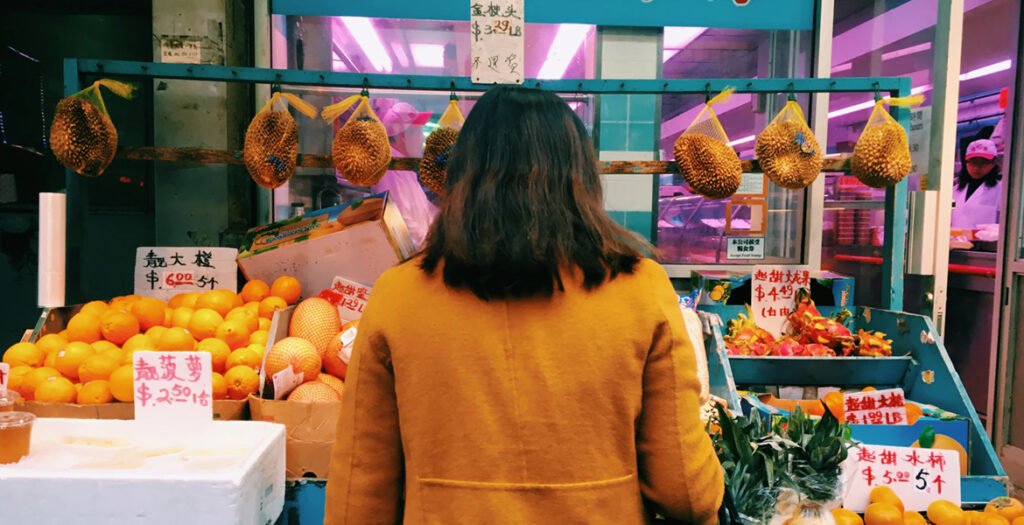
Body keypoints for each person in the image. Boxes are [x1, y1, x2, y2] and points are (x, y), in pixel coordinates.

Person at [325, 86, 723, 525]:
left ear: (461, 177)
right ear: (583, 178)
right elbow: (687, 493)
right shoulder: (641, 289)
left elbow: (358, 494)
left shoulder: (399, 296)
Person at [951, 138, 1003, 230]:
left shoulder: (1001, 190)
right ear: (966, 163)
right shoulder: (955, 190)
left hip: (985, 239)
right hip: (955, 238)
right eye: (973, 162)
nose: (976, 168)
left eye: (983, 163)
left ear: (993, 163)